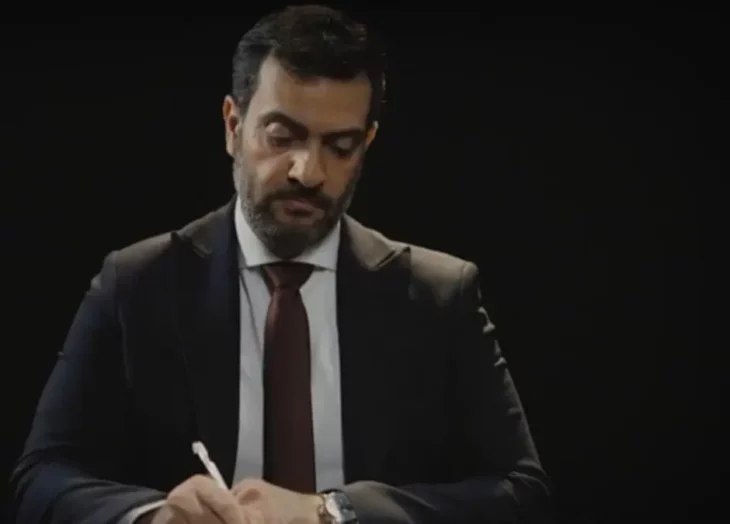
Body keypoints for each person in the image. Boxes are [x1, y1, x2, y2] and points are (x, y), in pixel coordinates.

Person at [9, 5, 553, 524]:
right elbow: (41, 479)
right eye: (282, 137)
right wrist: (156, 516)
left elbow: (521, 490)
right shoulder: (136, 284)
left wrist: (333, 512)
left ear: (367, 143)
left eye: (340, 146)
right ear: (233, 125)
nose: (307, 171)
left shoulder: (438, 296)